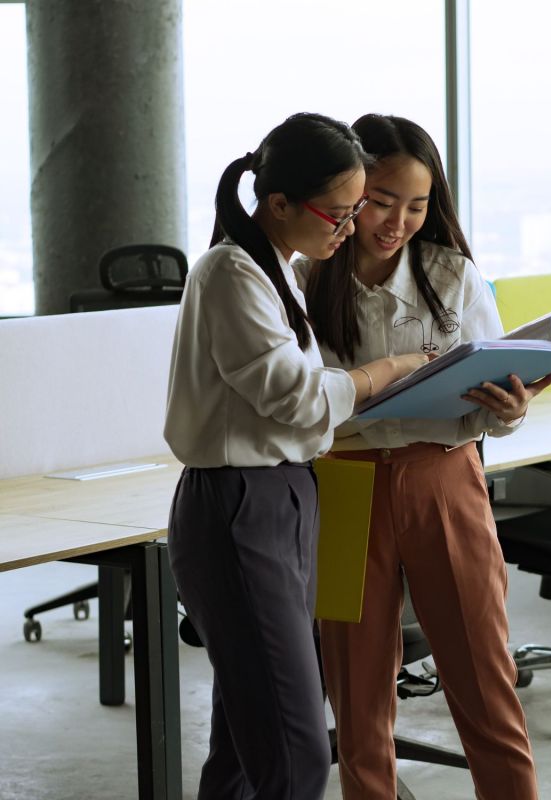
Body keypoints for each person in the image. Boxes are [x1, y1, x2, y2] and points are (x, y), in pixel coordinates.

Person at [163, 112, 430, 800]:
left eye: (353, 212)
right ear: (277, 203)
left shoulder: (279, 267)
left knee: (245, 741)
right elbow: (299, 400)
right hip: (239, 506)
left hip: (283, 497)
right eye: (338, 214)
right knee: (295, 750)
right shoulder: (232, 274)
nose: (349, 230)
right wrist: (390, 369)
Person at [298, 113, 551, 800]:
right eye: (382, 201)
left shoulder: (452, 275)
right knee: (357, 701)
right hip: (345, 488)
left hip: (443, 479)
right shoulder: (305, 277)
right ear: (350, 190)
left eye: (416, 205)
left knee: (483, 679)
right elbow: (293, 405)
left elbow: (491, 400)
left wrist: (510, 408)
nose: (398, 221)